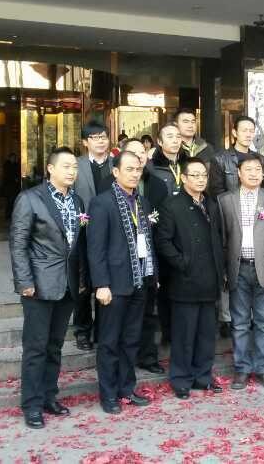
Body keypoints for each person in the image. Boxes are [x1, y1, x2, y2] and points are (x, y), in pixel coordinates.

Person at [9, 147, 84, 429]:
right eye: (66, 166)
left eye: (74, 167)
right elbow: (18, 244)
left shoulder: (77, 201)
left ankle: (49, 396)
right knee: (36, 347)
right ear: (50, 169)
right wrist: (24, 282)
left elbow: (77, 245)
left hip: (67, 284)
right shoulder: (30, 198)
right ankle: (31, 404)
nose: (71, 171)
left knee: (55, 346)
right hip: (39, 285)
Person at [87, 151, 155, 414]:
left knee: (131, 340)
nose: (135, 174)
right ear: (115, 172)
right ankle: (108, 395)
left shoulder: (142, 202)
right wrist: (101, 284)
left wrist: (152, 276)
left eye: (138, 170)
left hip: (139, 281)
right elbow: (96, 249)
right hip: (113, 285)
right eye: (129, 169)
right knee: (109, 342)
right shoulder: (101, 203)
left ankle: (127, 388)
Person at [154, 157, 225, 399]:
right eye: (194, 175)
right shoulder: (171, 205)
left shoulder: (210, 203)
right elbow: (163, 242)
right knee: (184, 335)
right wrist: (182, 262)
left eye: (203, 175)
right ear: (183, 178)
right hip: (185, 280)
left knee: (206, 334)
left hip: (210, 278)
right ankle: (181, 379)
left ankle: (203, 376)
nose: (200, 179)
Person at [216, 153, 264, 390]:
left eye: (258, 169)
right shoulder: (225, 200)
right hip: (238, 268)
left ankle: (263, 369)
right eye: (249, 169)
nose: (254, 174)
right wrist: (223, 270)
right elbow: (222, 240)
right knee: (239, 322)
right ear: (239, 173)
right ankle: (242, 369)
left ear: (263, 173)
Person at [208, 115, 264, 338]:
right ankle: (227, 318)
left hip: (256, 220)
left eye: (251, 130)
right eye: (244, 130)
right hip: (229, 219)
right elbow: (216, 192)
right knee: (231, 268)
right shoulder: (220, 159)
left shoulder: (259, 158)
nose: (248, 134)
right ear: (234, 132)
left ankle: (250, 317)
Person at [119, 138, 168, 375]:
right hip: (122, 261)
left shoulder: (156, 184)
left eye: (142, 153)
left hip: (149, 256)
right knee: (124, 316)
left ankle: (148, 356)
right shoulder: (109, 185)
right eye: (133, 152)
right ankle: (124, 361)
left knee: (148, 312)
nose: (139, 157)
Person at [71, 121, 114, 352]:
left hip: (113, 233)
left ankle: (103, 329)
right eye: (95, 138)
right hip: (84, 233)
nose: (101, 141)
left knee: (108, 282)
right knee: (84, 285)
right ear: (85, 142)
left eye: (104, 137)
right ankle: (82, 330)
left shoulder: (117, 164)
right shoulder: (76, 166)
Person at [146, 122, 186, 346]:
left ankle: (181, 330)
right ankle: (167, 332)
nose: (175, 140)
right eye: (169, 136)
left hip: (186, 231)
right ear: (159, 142)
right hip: (161, 231)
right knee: (165, 285)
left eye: (178, 136)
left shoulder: (189, 164)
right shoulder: (151, 168)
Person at [1, 152, 22, 219]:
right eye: (12, 157)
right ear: (10, 158)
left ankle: (13, 214)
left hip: (15, 186)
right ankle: (8, 215)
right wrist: (14, 178)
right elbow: (7, 175)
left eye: (14, 158)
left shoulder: (15, 164)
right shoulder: (7, 165)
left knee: (14, 200)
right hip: (9, 185)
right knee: (9, 201)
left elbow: (18, 172)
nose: (13, 159)